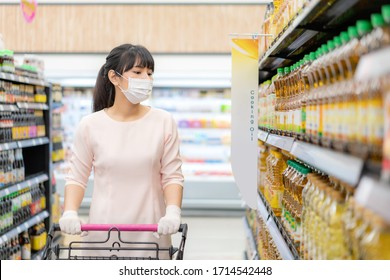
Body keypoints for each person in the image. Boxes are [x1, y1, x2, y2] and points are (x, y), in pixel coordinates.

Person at [59, 44, 184, 259]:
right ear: (114, 77)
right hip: (103, 233)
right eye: (137, 72)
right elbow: (77, 177)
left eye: (149, 73)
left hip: (152, 233)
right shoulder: (90, 125)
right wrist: (70, 212)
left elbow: (172, 175)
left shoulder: (163, 122)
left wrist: (173, 212)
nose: (146, 78)